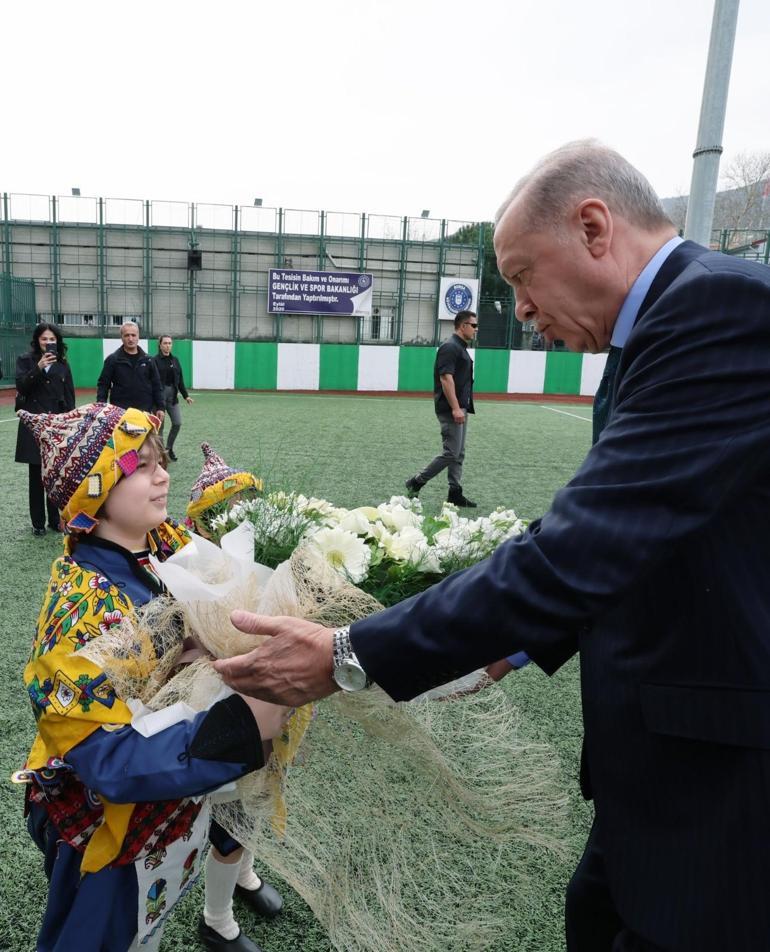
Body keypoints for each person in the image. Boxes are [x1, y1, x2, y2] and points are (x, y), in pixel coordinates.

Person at [212, 140, 770, 952]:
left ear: (592, 227)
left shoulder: (717, 310)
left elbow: (587, 544)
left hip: (722, 781)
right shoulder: (661, 323)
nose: (521, 306)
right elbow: (634, 536)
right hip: (665, 771)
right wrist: (517, 641)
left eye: (520, 276)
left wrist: (344, 655)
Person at [15, 402, 287, 952]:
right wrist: (242, 724)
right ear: (92, 491)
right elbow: (105, 761)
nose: (164, 473)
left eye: (161, 459)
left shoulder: (161, 549)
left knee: (149, 926)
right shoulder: (80, 610)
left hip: (167, 805)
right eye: (140, 464)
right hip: (104, 832)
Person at [404, 310, 478, 507]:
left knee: (458, 453)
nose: (476, 329)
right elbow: (446, 378)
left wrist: (462, 407)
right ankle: (416, 481)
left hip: (460, 407)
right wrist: (455, 408)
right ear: (463, 326)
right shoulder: (450, 347)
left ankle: (455, 493)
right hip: (451, 409)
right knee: (451, 453)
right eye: (474, 325)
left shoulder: (459, 348)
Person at [14, 322, 76, 535]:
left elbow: (69, 396)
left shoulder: (63, 364)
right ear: (37, 340)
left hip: (56, 427)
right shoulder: (25, 361)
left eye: (52, 339)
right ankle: (38, 524)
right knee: (36, 477)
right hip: (33, 425)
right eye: (44, 339)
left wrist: (70, 421)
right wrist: (38, 367)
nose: (48, 343)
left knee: (55, 475)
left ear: (57, 342)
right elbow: (22, 386)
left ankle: (54, 520)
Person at [97, 321, 165, 420]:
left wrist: (160, 407)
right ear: (122, 337)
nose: (130, 338)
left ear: (138, 336)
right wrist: (101, 406)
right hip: (120, 412)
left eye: (133, 335)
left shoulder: (148, 360)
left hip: (144, 411)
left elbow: (156, 385)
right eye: (127, 335)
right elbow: (103, 384)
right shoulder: (113, 359)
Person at [152, 335, 193, 461]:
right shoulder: (154, 360)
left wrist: (186, 396)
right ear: (160, 345)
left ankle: (169, 449)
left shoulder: (175, 360)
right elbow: (151, 380)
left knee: (177, 422)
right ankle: (160, 454)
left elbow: (180, 379)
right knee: (160, 427)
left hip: (172, 396)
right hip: (159, 397)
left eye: (170, 343)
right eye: (165, 343)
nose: (167, 345)